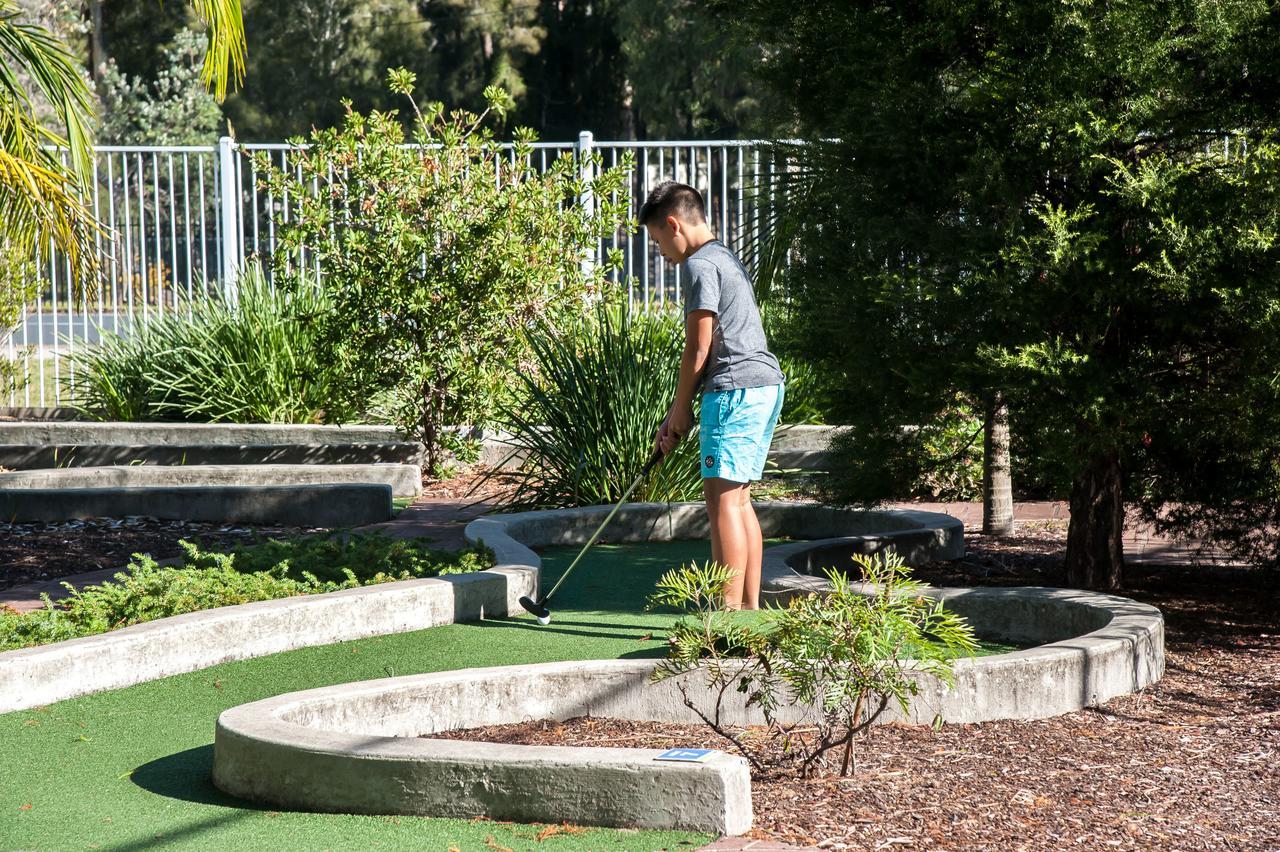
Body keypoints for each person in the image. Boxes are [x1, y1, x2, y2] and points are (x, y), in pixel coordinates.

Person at [640, 180, 785, 610]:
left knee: (721, 500)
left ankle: (723, 616)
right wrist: (676, 412)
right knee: (738, 500)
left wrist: (681, 409)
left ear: (673, 225)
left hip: (735, 389)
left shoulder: (699, 264)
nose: (661, 253)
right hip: (763, 385)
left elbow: (699, 347)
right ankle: (749, 610)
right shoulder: (725, 256)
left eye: (658, 241)